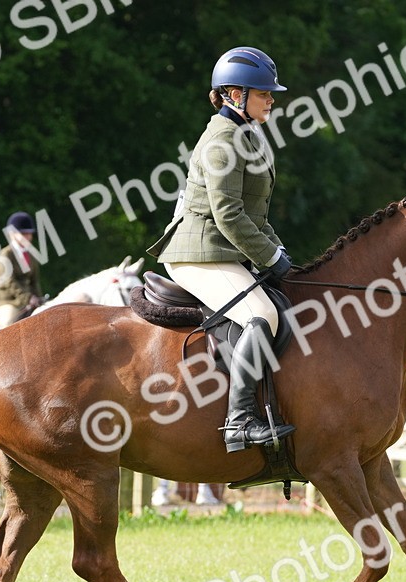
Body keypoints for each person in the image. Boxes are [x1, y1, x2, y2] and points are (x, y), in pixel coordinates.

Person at [147, 46, 296, 453]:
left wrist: (280, 253)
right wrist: (269, 258)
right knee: (261, 314)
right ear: (234, 95)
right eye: (264, 93)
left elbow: (256, 214)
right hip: (196, 252)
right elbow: (228, 216)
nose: (272, 99)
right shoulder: (222, 141)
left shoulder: (247, 137)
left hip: (221, 249)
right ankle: (239, 422)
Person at [0, 211, 43, 327]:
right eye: (24, 234)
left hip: (27, 301)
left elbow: (34, 281)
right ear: (12, 233)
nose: (28, 237)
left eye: (29, 234)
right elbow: (9, 282)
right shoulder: (6, 254)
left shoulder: (31, 255)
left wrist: (39, 299)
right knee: (9, 324)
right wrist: (28, 297)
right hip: (8, 300)